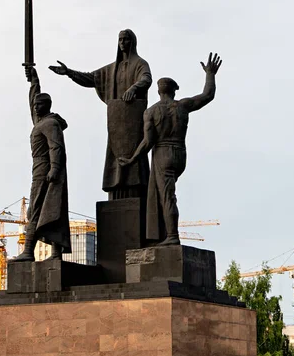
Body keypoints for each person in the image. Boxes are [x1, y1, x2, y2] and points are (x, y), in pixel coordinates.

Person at [119, 52, 222, 245]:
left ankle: (172, 236)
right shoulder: (182, 106)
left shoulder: (151, 112)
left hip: (163, 155)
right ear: (173, 91)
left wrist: (132, 159)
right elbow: (208, 95)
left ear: (159, 92)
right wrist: (210, 74)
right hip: (180, 155)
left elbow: (148, 142)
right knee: (167, 194)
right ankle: (166, 233)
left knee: (167, 197)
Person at [49, 29, 152, 200]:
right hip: (116, 123)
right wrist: (69, 73)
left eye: (126, 39)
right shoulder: (112, 68)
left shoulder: (140, 64)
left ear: (132, 42)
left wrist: (134, 88)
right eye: (120, 40)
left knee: (135, 159)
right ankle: (116, 191)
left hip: (133, 124)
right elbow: (91, 79)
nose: (122, 43)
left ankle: (136, 192)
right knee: (115, 159)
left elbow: (146, 79)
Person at [15, 65, 71, 261]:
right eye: (36, 105)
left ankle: (29, 251)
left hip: (45, 169)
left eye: (39, 105)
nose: (35, 107)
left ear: (47, 106)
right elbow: (33, 100)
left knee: (37, 208)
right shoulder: (40, 121)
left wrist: (54, 168)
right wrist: (34, 81)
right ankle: (55, 253)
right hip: (39, 168)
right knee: (48, 208)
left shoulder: (50, 124)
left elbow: (56, 147)